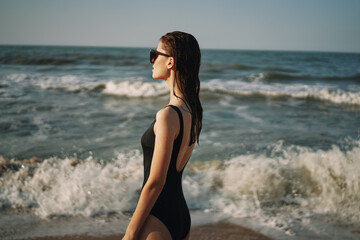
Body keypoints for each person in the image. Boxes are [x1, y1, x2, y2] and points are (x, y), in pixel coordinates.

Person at [122, 31, 203, 240]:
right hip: (181, 216)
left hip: (158, 218)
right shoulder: (192, 113)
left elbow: (156, 182)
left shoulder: (168, 115)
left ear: (170, 62)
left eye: (155, 54)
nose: (152, 60)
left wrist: (130, 234)